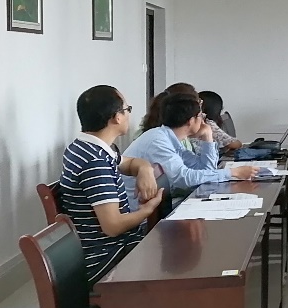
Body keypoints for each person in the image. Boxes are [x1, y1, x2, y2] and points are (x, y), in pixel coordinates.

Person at [59, 85, 164, 280]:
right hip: (106, 257)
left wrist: (145, 168)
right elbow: (113, 226)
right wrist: (147, 210)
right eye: (127, 109)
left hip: (115, 246)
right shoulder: (95, 161)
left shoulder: (85, 147)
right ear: (117, 117)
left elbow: (129, 163)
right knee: (174, 256)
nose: (129, 114)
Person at [125, 93, 259, 192]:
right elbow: (184, 178)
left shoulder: (170, 138)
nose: (203, 120)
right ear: (190, 121)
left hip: (154, 206)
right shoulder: (158, 140)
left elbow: (206, 169)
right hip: (138, 214)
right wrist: (232, 173)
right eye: (200, 116)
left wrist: (208, 137)